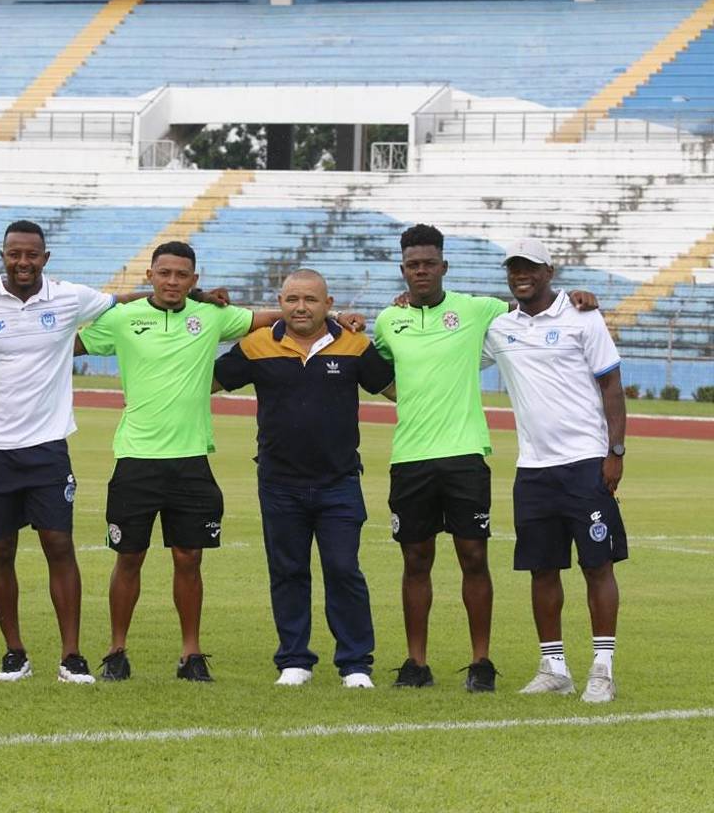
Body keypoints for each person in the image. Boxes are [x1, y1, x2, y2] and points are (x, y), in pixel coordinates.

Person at [372, 224, 597, 692]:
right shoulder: (386, 321)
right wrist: (410, 398)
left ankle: (481, 663)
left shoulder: (478, 311)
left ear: (443, 267)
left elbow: (536, 307)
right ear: (402, 270)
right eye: (413, 264)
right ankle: (416, 663)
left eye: (429, 263)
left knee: (473, 556)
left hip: (465, 455)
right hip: (409, 456)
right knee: (415, 559)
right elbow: (375, 372)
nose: (421, 271)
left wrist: (576, 297)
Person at [0, 220, 160, 684]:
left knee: (58, 544)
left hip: (47, 447)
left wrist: (203, 299)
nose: (22, 262)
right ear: (2, 255)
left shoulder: (69, 298)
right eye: (14, 254)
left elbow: (125, 302)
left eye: (31, 255)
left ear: (46, 257)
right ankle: (15, 652)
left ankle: (71, 656)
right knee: (0, 549)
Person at [76, 241, 289, 683]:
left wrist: (337, 317)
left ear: (194, 279)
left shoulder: (212, 316)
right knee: (128, 557)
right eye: (164, 273)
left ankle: (190, 654)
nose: (172, 281)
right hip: (136, 457)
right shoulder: (121, 319)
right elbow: (64, 342)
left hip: (192, 459)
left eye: (181, 275)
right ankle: (117, 650)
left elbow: (278, 317)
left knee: (189, 558)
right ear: (150, 275)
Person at [214, 269, 393, 688]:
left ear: (328, 304)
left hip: (339, 482)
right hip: (279, 483)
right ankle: (295, 660)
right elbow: (206, 381)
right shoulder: (257, 344)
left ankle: (355, 665)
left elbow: (395, 389)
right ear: (280, 301)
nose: (300, 307)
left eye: (310, 300)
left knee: (344, 570)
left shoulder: (354, 343)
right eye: (292, 299)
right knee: (288, 571)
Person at [482, 237, 626, 703]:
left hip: (586, 462)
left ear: (549, 271)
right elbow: (454, 338)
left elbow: (612, 385)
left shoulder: (583, 316)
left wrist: (615, 451)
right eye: (514, 269)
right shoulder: (500, 328)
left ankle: (602, 669)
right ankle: (554, 667)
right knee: (542, 569)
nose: (520, 275)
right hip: (534, 469)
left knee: (596, 565)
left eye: (530, 268)